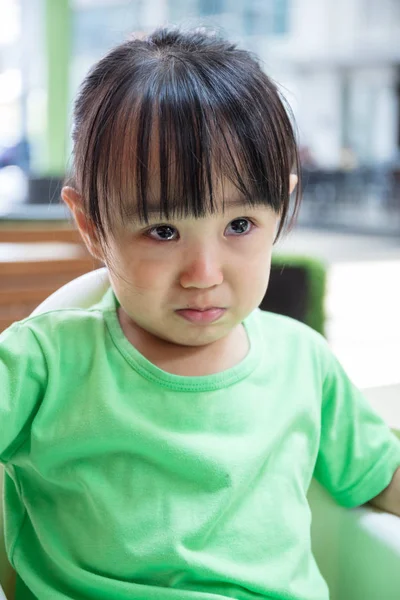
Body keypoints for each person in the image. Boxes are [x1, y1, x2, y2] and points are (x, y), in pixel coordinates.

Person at [1, 28, 399, 600]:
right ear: (92, 226)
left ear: (278, 209)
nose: (204, 273)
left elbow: (381, 475)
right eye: (163, 231)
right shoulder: (42, 363)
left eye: (240, 226)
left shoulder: (303, 362)